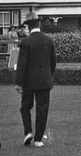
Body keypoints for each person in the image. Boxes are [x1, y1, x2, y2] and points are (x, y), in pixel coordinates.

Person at [15, 12, 57, 147]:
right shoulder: (48, 40)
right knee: (42, 109)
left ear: (28, 26)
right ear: (39, 24)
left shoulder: (26, 42)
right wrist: (49, 76)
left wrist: (18, 82)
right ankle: (38, 139)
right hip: (45, 80)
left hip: (29, 81)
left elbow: (22, 64)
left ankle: (28, 131)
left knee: (25, 107)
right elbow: (53, 62)